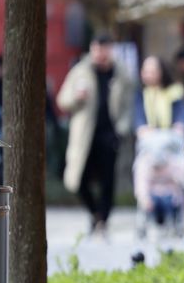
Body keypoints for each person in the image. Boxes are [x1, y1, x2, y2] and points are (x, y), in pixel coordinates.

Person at [57, 36, 135, 237]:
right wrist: (77, 98)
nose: (101, 53)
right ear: (92, 49)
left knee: (108, 181)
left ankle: (103, 220)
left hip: (110, 135)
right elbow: (63, 100)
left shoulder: (121, 73)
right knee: (78, 179)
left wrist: (122, 129)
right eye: (98, 48)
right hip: (85, 135)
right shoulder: (80, 71)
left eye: (105, 48)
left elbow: (128, 105)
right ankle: (95, 214)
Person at [132, 55, 184, 238]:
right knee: (141, 170)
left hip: (172, 153)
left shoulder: (176, 93)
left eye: (152, 70)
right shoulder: (140, 96)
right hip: (150, 153)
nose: (148, 74)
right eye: (145, 70)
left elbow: (181, 129)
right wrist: (164, 135)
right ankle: (144, 211)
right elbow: (140, 130)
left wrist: (157, 135)